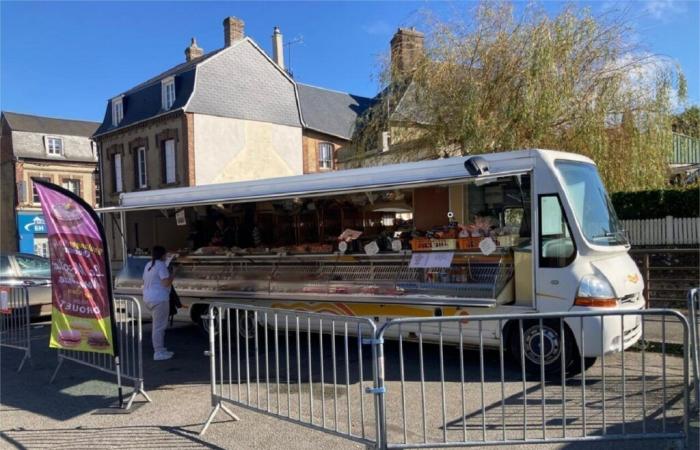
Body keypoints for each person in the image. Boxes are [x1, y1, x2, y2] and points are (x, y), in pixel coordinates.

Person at [143, 245, 175, 361]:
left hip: (148, 298)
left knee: (157, 326)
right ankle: (158, 352)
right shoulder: (161, 265)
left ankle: (160, 349)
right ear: (163, 255)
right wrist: (173, 274)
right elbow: (166, 283)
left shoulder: (148, 265)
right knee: (159, 327)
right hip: (159, 299)